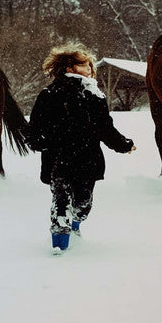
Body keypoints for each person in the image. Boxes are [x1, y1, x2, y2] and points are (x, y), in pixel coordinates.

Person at [27, 44, 136, 255]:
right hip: (59, 159)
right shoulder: (49, 94)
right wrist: (40, 141)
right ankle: (59, 245)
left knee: (83, 204)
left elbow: (105, 129)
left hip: (87, 159)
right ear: (70, 68)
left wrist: (123, 144)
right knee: (61, 202)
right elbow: (34, 128)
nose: (90, 69)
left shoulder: (94, 95)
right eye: (85, 65)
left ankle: (75, 225)